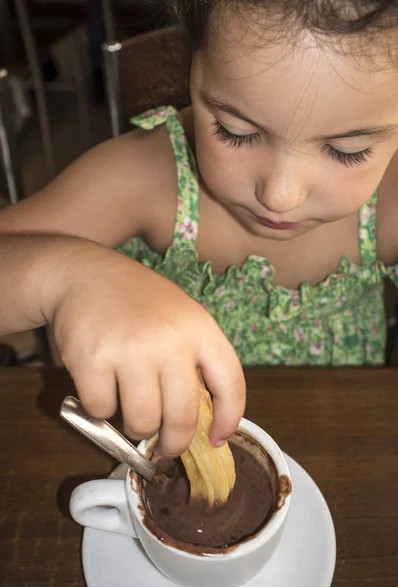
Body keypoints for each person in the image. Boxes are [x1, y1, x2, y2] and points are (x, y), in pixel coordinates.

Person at [0, 0, 397, 456]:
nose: (280, 195)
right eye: (234, 131)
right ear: (193, 67)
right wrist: (63, 277)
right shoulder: (148, 177)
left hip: (342, 459)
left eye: (348, 151)